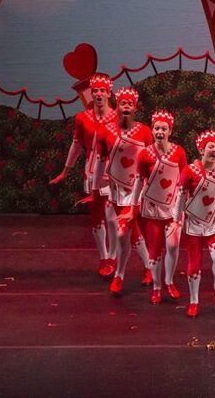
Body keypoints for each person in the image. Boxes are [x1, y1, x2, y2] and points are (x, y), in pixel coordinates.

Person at [51, 72, 119, 278]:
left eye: (102, 90)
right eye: (95, 90)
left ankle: (113, 256)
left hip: (114, 173)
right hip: (92, 172)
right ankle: (104, 257)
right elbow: (76, 145)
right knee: (97, 217)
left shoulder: (118, 117)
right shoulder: (82, 118)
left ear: (109, 93)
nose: (98, 94)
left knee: (112, 218)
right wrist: (65, 171)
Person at [134, 110, 189, 304]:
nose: (160, 132)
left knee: (173, 246)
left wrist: (186, 206)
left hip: (173, 209)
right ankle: (157, 287)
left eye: (164, 129)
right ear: (152, 130)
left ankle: (169, 281)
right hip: (152, 210)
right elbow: (138, 181)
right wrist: (132, 206)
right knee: (154, 249)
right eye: (156, 128)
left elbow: (184, 180)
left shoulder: (179, 152)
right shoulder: (144, 154)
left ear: (170, 131)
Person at [104, 87, 155, 296]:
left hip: (136, 190)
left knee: (123, 231)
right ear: (117, 106)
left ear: (135, 108)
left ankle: (119, 275)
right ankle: (149, 267)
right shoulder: (107, 130)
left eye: (130, 104)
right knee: (133, 233)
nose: (126, 106)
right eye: (123, 103)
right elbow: (101, 159)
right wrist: (97, 186)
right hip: (115, 190)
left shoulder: (144, 131)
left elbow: (152, 159)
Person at [180, 130, 215, 318]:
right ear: (201, 150)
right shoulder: (189, 171)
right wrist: (177, 218)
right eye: (211, 146)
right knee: (194, 264)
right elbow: (180, 195)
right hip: (193, 224)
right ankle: (194, 300)